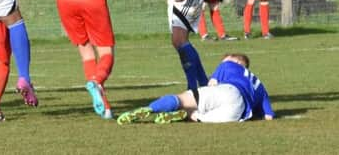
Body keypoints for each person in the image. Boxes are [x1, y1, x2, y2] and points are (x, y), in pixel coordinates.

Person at [117, 53, 275, 124]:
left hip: (228, 90)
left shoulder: (229, 65)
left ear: (235, 60)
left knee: (182, 99)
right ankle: (187, 115)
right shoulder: (260, 85)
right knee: (198, 116)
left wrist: (197, 97)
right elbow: (269, 117)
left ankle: (150, 109)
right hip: (237, 112)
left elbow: (212, 83)